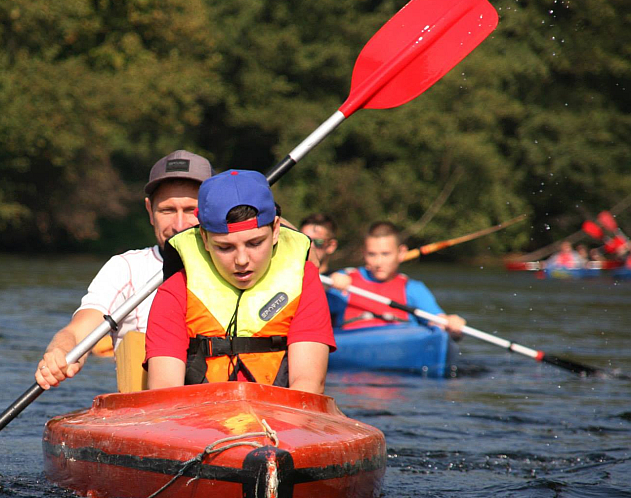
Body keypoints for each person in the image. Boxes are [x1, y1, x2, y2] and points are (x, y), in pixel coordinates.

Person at [144, 170, 335, 394]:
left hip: (280, 411)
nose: (242, 260)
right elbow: (165, 389)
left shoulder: (303, 281)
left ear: (275, 230)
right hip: (200, 411)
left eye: (255, 243)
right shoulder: (176, 289)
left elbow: (308, 385)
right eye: (225, 247)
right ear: (204, 238)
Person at [35, 150, 213, 390]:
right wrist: (60, 350)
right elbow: (78, 331)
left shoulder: (242, 266)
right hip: (148, 407)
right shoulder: (125, 268)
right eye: (167, 210)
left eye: (191, 210)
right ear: (150, 211)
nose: (179, 225)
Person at [328, 222, 466, 337]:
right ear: (364, 253)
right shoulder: (343, 280)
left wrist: (451, 324)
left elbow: (438, 321)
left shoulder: (412, 288)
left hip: (400, 348)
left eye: (385, 254)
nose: (378, 262)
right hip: (353, 347)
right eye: (372, 254)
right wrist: (328, 285)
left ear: (401, 253)